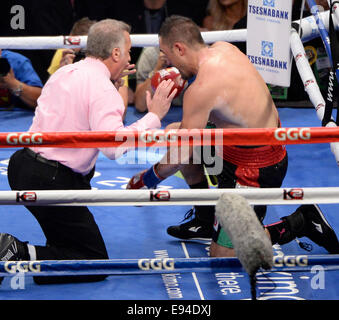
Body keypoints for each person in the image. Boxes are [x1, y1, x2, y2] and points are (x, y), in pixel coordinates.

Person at [127, 15, 339, 257]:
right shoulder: (225, 49)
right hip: (234, 146)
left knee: (222, 254)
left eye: (168, 55)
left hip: (256, 168)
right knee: (175, 132)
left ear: (179, 48)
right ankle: (207, 220)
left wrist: (145, 182)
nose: (169, 65)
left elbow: (180, 154)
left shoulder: (201, 90)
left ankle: (301, 221)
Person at [0, 19, 177, 285]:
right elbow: (114, 147)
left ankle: (30, 260)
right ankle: (15, 252)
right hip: (52, 179)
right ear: (115, 53)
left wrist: (114, 81)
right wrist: (154, 116)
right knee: (92, 261)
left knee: (66, 249)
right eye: (128, 51)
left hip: (24, 165)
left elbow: (91, 113)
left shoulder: (65, 72)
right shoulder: (100, 86)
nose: (130, 57)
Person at [134, 46, 184, 112]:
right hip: (154, 114)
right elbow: (140, 106)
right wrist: (157, 71)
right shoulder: (151, 53)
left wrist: (184, 67)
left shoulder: (192, 53)